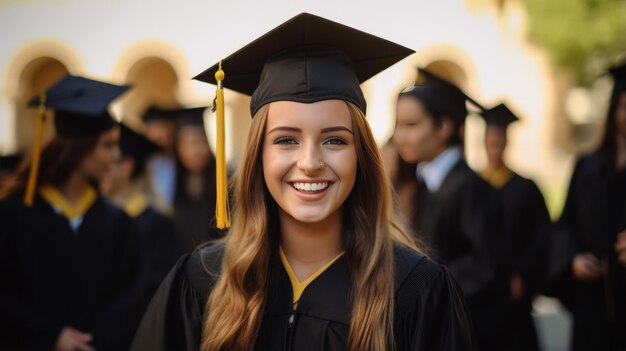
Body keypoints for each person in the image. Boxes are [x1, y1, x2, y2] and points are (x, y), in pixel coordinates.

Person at [131, 13, 474, 351]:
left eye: (335, 140)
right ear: (258, 156)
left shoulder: (416, 290)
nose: (310, 163)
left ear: (361, 156)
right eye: (286, 140)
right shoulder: (201, 281)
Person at [0, 75, 145, 351]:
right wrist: (50, 336)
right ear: (79, 149)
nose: (116, 156)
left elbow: (130, 301)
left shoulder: (118, 223)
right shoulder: (13, 216)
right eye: (108, 145)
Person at [393, 68, 507, 350]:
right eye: (398, 125)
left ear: (444, 127)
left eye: (411, 125)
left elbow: (484, 266)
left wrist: (426, 287)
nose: (400, 137)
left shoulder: (469, 188)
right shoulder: (421, 183)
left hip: (466, 329)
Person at [554, 62, 626, 350]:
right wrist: (572, 258)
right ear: (612, 111)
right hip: (592, 302)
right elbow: (564, 225)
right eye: (623, 105)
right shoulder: (588, 167)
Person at [479, 103, 552, 351]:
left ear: (507, 142)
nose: (494, 148)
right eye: (490, 142)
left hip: (514, 292)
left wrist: (524, 274)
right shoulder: (472, 186)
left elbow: (542, 237)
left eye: (499, 141)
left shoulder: (525, 188)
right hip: (481, 291)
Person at [100, 122, 182, 308]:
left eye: (109, 162)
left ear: (127, 166)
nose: (101, 169)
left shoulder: (156, 225)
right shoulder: (98, 219)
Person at [173, 107, 223, 250]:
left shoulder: (226, 184)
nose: (196, 151)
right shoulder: (172, 186)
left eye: (200, 141)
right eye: (189, 143)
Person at [143, 106, 179, 207]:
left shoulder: (182, 159)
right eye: (152, 129)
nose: (157, 135)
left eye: (161, 127)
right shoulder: (146, 163)